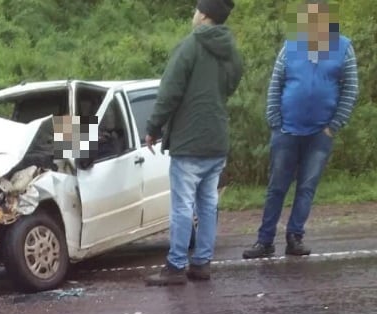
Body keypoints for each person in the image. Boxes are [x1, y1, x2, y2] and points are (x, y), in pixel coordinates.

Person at [243, 0, 359, 259]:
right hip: (286, 130)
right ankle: (264, 241)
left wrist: (333, 126)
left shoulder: (344, 47)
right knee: (276, 187)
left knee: (306, 187)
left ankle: (295, 237)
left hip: (321, 133)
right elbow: (276, 83)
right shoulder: (291, 46)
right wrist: (275, 120)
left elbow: (350, 89)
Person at [143, 0, 243, 286]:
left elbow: (169, 91)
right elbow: (231, 84)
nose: (193, 14)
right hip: (217, 140)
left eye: (196, 9)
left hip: (189, 141)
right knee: (208, 204)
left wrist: (152, 128)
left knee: (183, 206)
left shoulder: (190, 46)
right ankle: (201, 263)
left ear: (203, 14)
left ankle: (175, 266)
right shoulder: (231, 51)